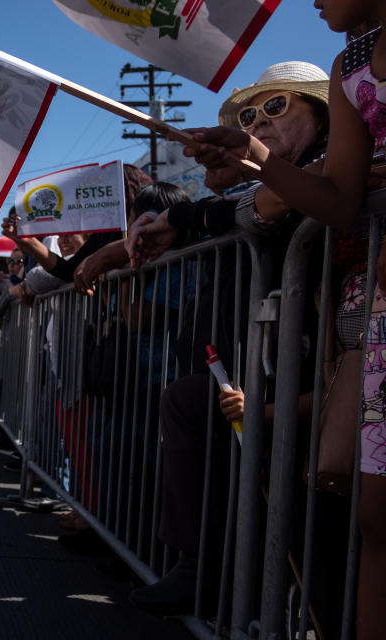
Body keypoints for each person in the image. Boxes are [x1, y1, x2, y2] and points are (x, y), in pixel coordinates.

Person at [126, 61, 332, 617]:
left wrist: (187, 215)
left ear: (324, 113)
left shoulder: (331, 170)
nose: (257, 122)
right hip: (267, 372)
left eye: (276, 107)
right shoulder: (264, 186)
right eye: (247, 114)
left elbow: (267, 207)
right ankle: (214, 579)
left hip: (331, 369)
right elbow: (252, 208)